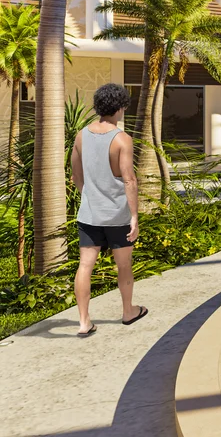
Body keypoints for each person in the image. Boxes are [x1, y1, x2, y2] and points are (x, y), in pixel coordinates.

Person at [70, 83, 147, 337]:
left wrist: (90, 198)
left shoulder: (81, 135)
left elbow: (75, 176)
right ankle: (128, 312)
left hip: (90, 215)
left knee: (85, 266)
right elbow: (129, 180)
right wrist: (134, 216)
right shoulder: (122, 139)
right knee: (123, 265)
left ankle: (83, 322)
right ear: (120, 107)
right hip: (117, 214)